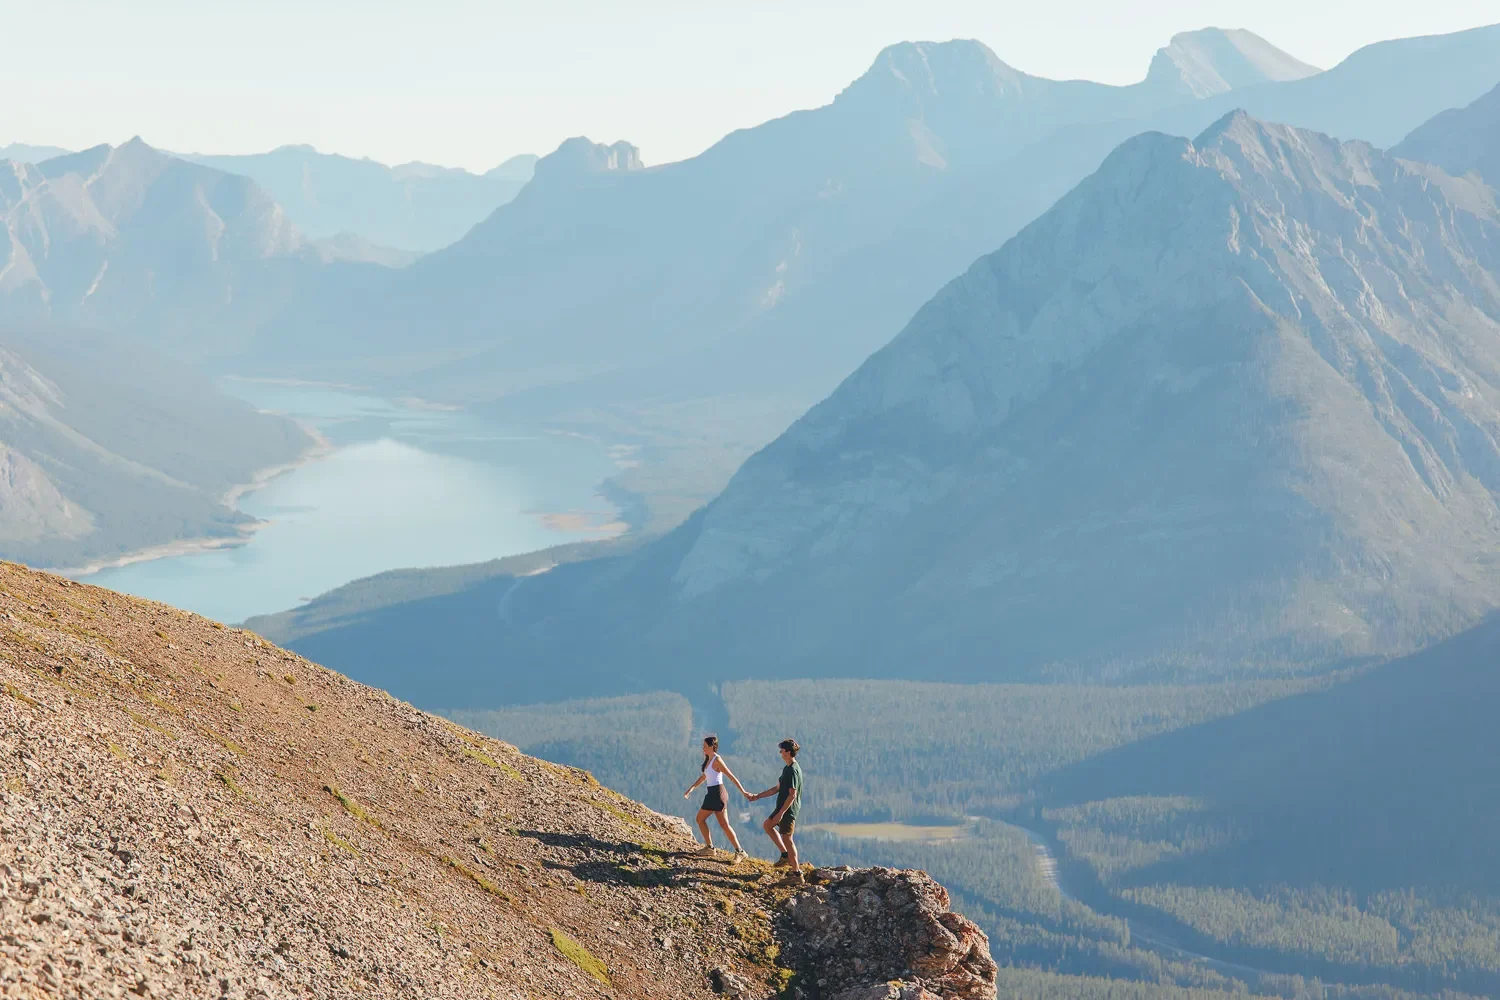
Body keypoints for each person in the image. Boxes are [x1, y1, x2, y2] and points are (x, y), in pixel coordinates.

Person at [682, 735, 750, 860]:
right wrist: (691, 788)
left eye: (705, 747)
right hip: (712, 793)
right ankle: (711, 848)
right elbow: (704, 777)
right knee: (706, 820)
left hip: (718, 793)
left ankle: (738, 851)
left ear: (712, 747)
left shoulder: (717, 760)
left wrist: (743, 791)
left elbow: (731, 776)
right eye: (703, 746)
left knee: (721, 824)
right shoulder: (709, 759)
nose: (703, 749)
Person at [748, 738, 804, 879]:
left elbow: (792, 795)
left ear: (788, 752)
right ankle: (785, 855)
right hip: (782, 808)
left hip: (788, 810)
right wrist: (757, 796)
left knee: (788, 839)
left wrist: (781, 813)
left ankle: (796, 873)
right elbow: (777, 788)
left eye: (782, 750)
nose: (780, 752)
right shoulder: (787, 768)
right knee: (768, 825)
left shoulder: (792, 771)